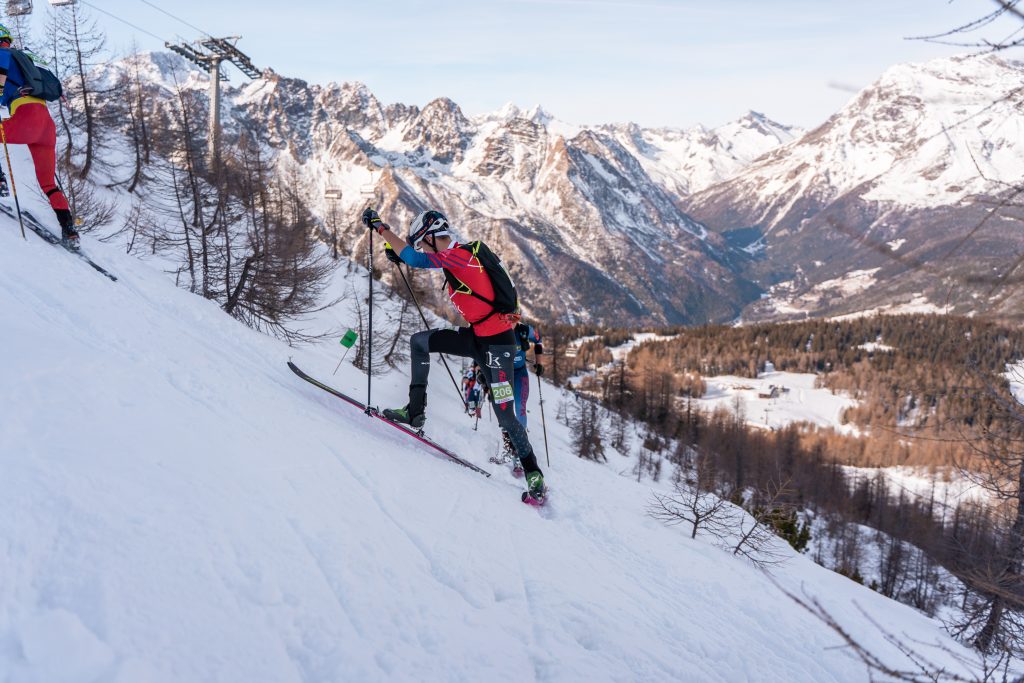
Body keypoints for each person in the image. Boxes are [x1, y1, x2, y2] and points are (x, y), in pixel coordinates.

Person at [362, 206, 547, 502]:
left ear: (432, 237)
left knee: (504, 415)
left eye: (422, 242)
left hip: (498, 347)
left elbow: (415, 258)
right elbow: (419, 259)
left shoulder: (461, 255)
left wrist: (381, 228)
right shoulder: (455, 259)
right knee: (420, 341)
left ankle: (533, 472)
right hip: (477, 338)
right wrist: (400, 253)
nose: (421, 247)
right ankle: (415, 410)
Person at [0, 25, 77, 249]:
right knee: (48, 183)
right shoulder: (28, 59)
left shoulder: (3, 54)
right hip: (46, 126)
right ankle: (70, 231)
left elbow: (1, 73)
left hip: (26, 119)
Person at [498, 322, 544, 473]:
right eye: (508, 317)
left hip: (519, 373)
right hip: (502, 374)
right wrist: (479, 369)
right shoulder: (496, 327)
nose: (511, 321)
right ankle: (508, 445)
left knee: (520, 407)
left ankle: (520, 449)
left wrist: (539, 363)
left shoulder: (524, 330)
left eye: (515, 317)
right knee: (504, 409)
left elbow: (538, 340)